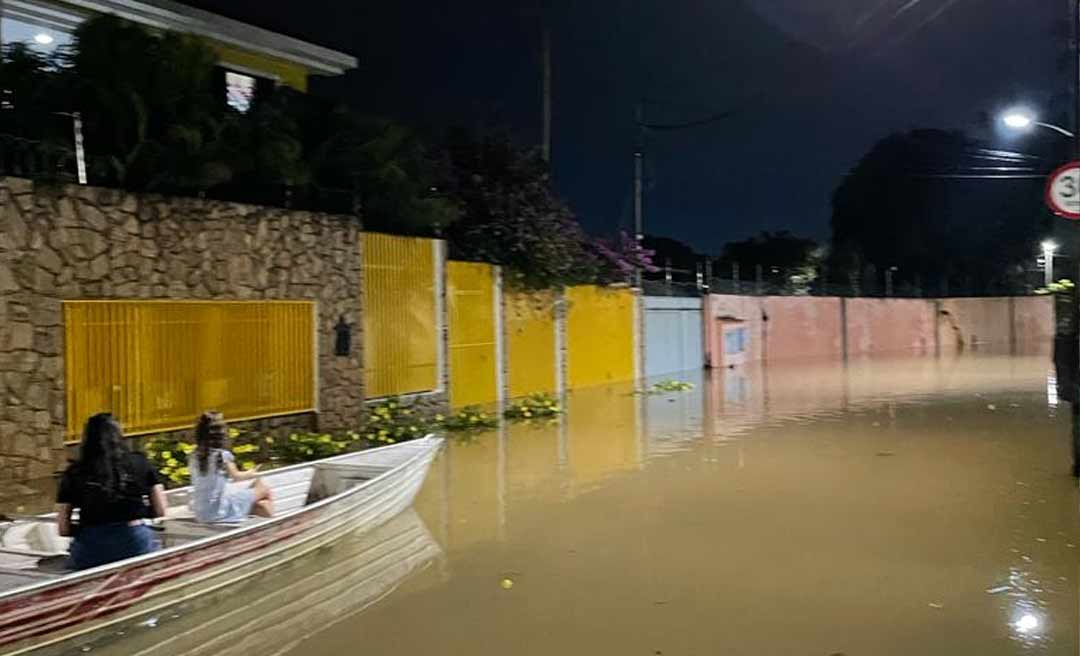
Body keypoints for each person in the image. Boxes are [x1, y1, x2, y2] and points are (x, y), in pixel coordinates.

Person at [56, 413, 167, 570]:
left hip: (90, 550)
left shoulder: (74, 472)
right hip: (134, 543)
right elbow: (161, 510)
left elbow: (63, 529)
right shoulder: (140, 462)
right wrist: (139, 512)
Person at [189, 411, 273, 523]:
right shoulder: (222, 455)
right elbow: (237, 477)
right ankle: (274, 524)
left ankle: (268, 525)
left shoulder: (193, 456)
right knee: (264, 489)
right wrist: (252, 472)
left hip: (200, 513)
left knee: (260, 504)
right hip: (217, 511)